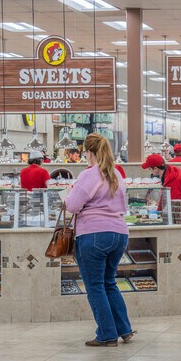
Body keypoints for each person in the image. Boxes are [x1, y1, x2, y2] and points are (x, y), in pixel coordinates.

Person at [65, 133, 135, 347]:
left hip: (94, 235)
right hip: (120, 234)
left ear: (89, 152)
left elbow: (72, 206)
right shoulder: (116, 174)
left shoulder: (89, 175)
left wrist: (69, 193)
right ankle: (124, 328)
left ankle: (106, 334)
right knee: (109, 282)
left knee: (95, 285)